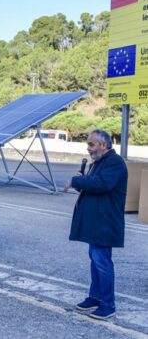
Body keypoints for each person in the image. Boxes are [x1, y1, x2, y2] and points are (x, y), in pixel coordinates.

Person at [65, 129, 127, 320]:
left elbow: (102, 184)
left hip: (105, 222)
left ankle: (108, 304)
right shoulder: (99, 162)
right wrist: (81, 181)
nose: (88, 148)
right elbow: (91, 184)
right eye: (88, 144)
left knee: (102, 262)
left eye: (92, 144)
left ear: (104, 145)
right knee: (95, 259)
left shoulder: (115, 163)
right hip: (96, 221)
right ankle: (95, 297)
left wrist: (77, 180)